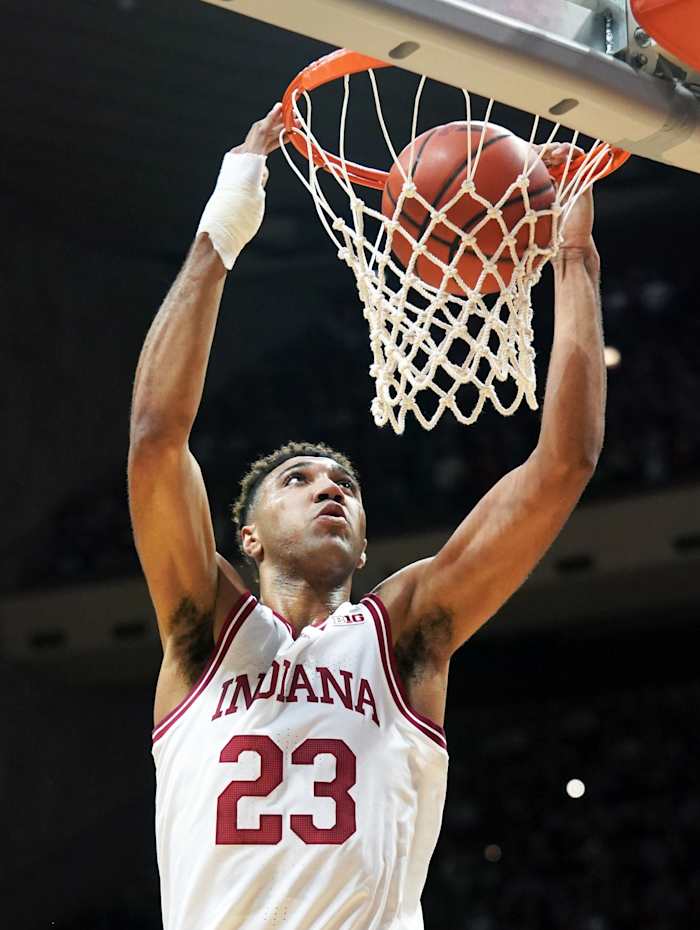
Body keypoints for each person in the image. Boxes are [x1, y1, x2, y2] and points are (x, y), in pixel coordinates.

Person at [128, 103, 605, 930]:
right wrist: (225, 224)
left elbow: (562, 466)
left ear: (364, 539)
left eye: (343, 483)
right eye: (299, 480)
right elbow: (155, 439)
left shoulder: (405, 635)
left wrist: (573, 259)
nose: (330, 489)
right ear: (246, 537)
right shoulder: (203, 631)